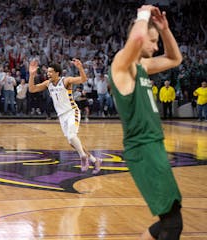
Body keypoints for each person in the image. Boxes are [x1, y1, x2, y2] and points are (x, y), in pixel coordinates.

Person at [109, 5, 183, 239]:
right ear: (139, 40)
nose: (156, 45)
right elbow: (139, 35)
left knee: (167, 221)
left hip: (154, 146)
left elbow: (175, 58)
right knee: (172, 224)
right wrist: (142, 15)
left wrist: (164, 30)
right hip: (143, 149)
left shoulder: (142, 66)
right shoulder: (122, 64)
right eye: (153, 41)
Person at [29, 59, 102, 174]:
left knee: (72, 137)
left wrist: (80, 68)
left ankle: (83, 157)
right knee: (72, 142)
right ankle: (95, 160)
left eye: (51, 72)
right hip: (62, 116)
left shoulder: (66, 81)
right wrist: (32, 75)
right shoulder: (48, 84)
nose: (48, 74)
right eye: (48, 72)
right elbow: (32, 89)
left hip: (72, 111)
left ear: (57, 73)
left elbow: (83, 79)